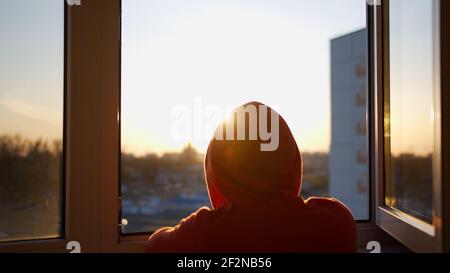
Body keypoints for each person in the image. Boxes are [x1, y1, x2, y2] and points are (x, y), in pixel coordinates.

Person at [146, 102, 356, 253]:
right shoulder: (335, 221)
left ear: (216, 172)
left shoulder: (203, 233)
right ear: (291, 162)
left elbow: (155, 245)